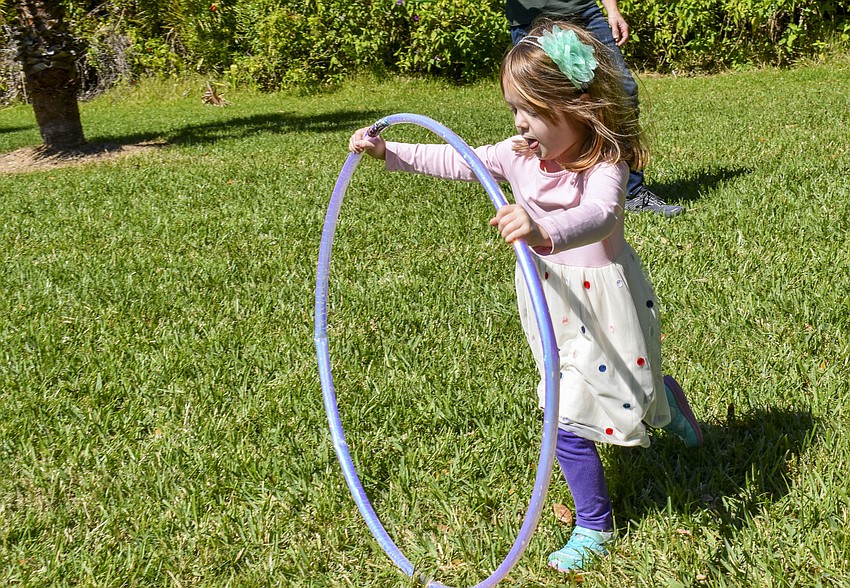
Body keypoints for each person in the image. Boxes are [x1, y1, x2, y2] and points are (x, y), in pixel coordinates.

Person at [349, 22, 702, 574]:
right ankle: (594, 522)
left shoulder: (603, 161)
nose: (519, 122)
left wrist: (543, 230)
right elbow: (457, 159)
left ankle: (667, 404)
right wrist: (388, 150)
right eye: (515, 108)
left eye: (532, 110)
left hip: (604, 300)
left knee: (632, 387)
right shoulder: (517, 155)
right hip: (551, 304)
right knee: (564, 413)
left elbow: (602, 215)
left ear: (579, 108)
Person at [505, 0, 684, 217]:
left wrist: (612, 9)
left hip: (584, 11)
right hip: (527, 20)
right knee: (541, 107)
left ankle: (631, 193)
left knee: (623, 91)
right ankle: (555, 196)